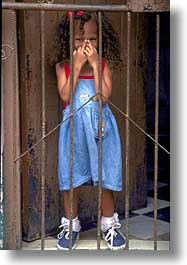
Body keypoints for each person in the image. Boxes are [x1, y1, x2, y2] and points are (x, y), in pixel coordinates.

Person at [54, 11, 126, 250]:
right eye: (79, 38)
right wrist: (75, 66)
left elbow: (103, 97)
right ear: (68, 39)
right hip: (74, 131)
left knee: (104, 175)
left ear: (101, 41)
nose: (86, 44)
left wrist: (94, 64)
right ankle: (71, 225)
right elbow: (65, 95)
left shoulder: (105, 64)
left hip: (100, 131)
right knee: (71, 177)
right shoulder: (62, 66)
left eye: (92, 39)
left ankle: (108, 224)